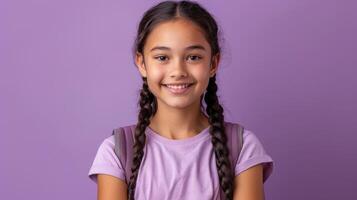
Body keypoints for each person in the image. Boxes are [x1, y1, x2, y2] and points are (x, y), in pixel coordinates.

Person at [88, 1, 274, 199]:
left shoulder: (243, 147)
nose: (178, 71)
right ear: (142, 63)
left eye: (193, 57)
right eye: (162, 57)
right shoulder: (116, 151)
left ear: (213, 63)